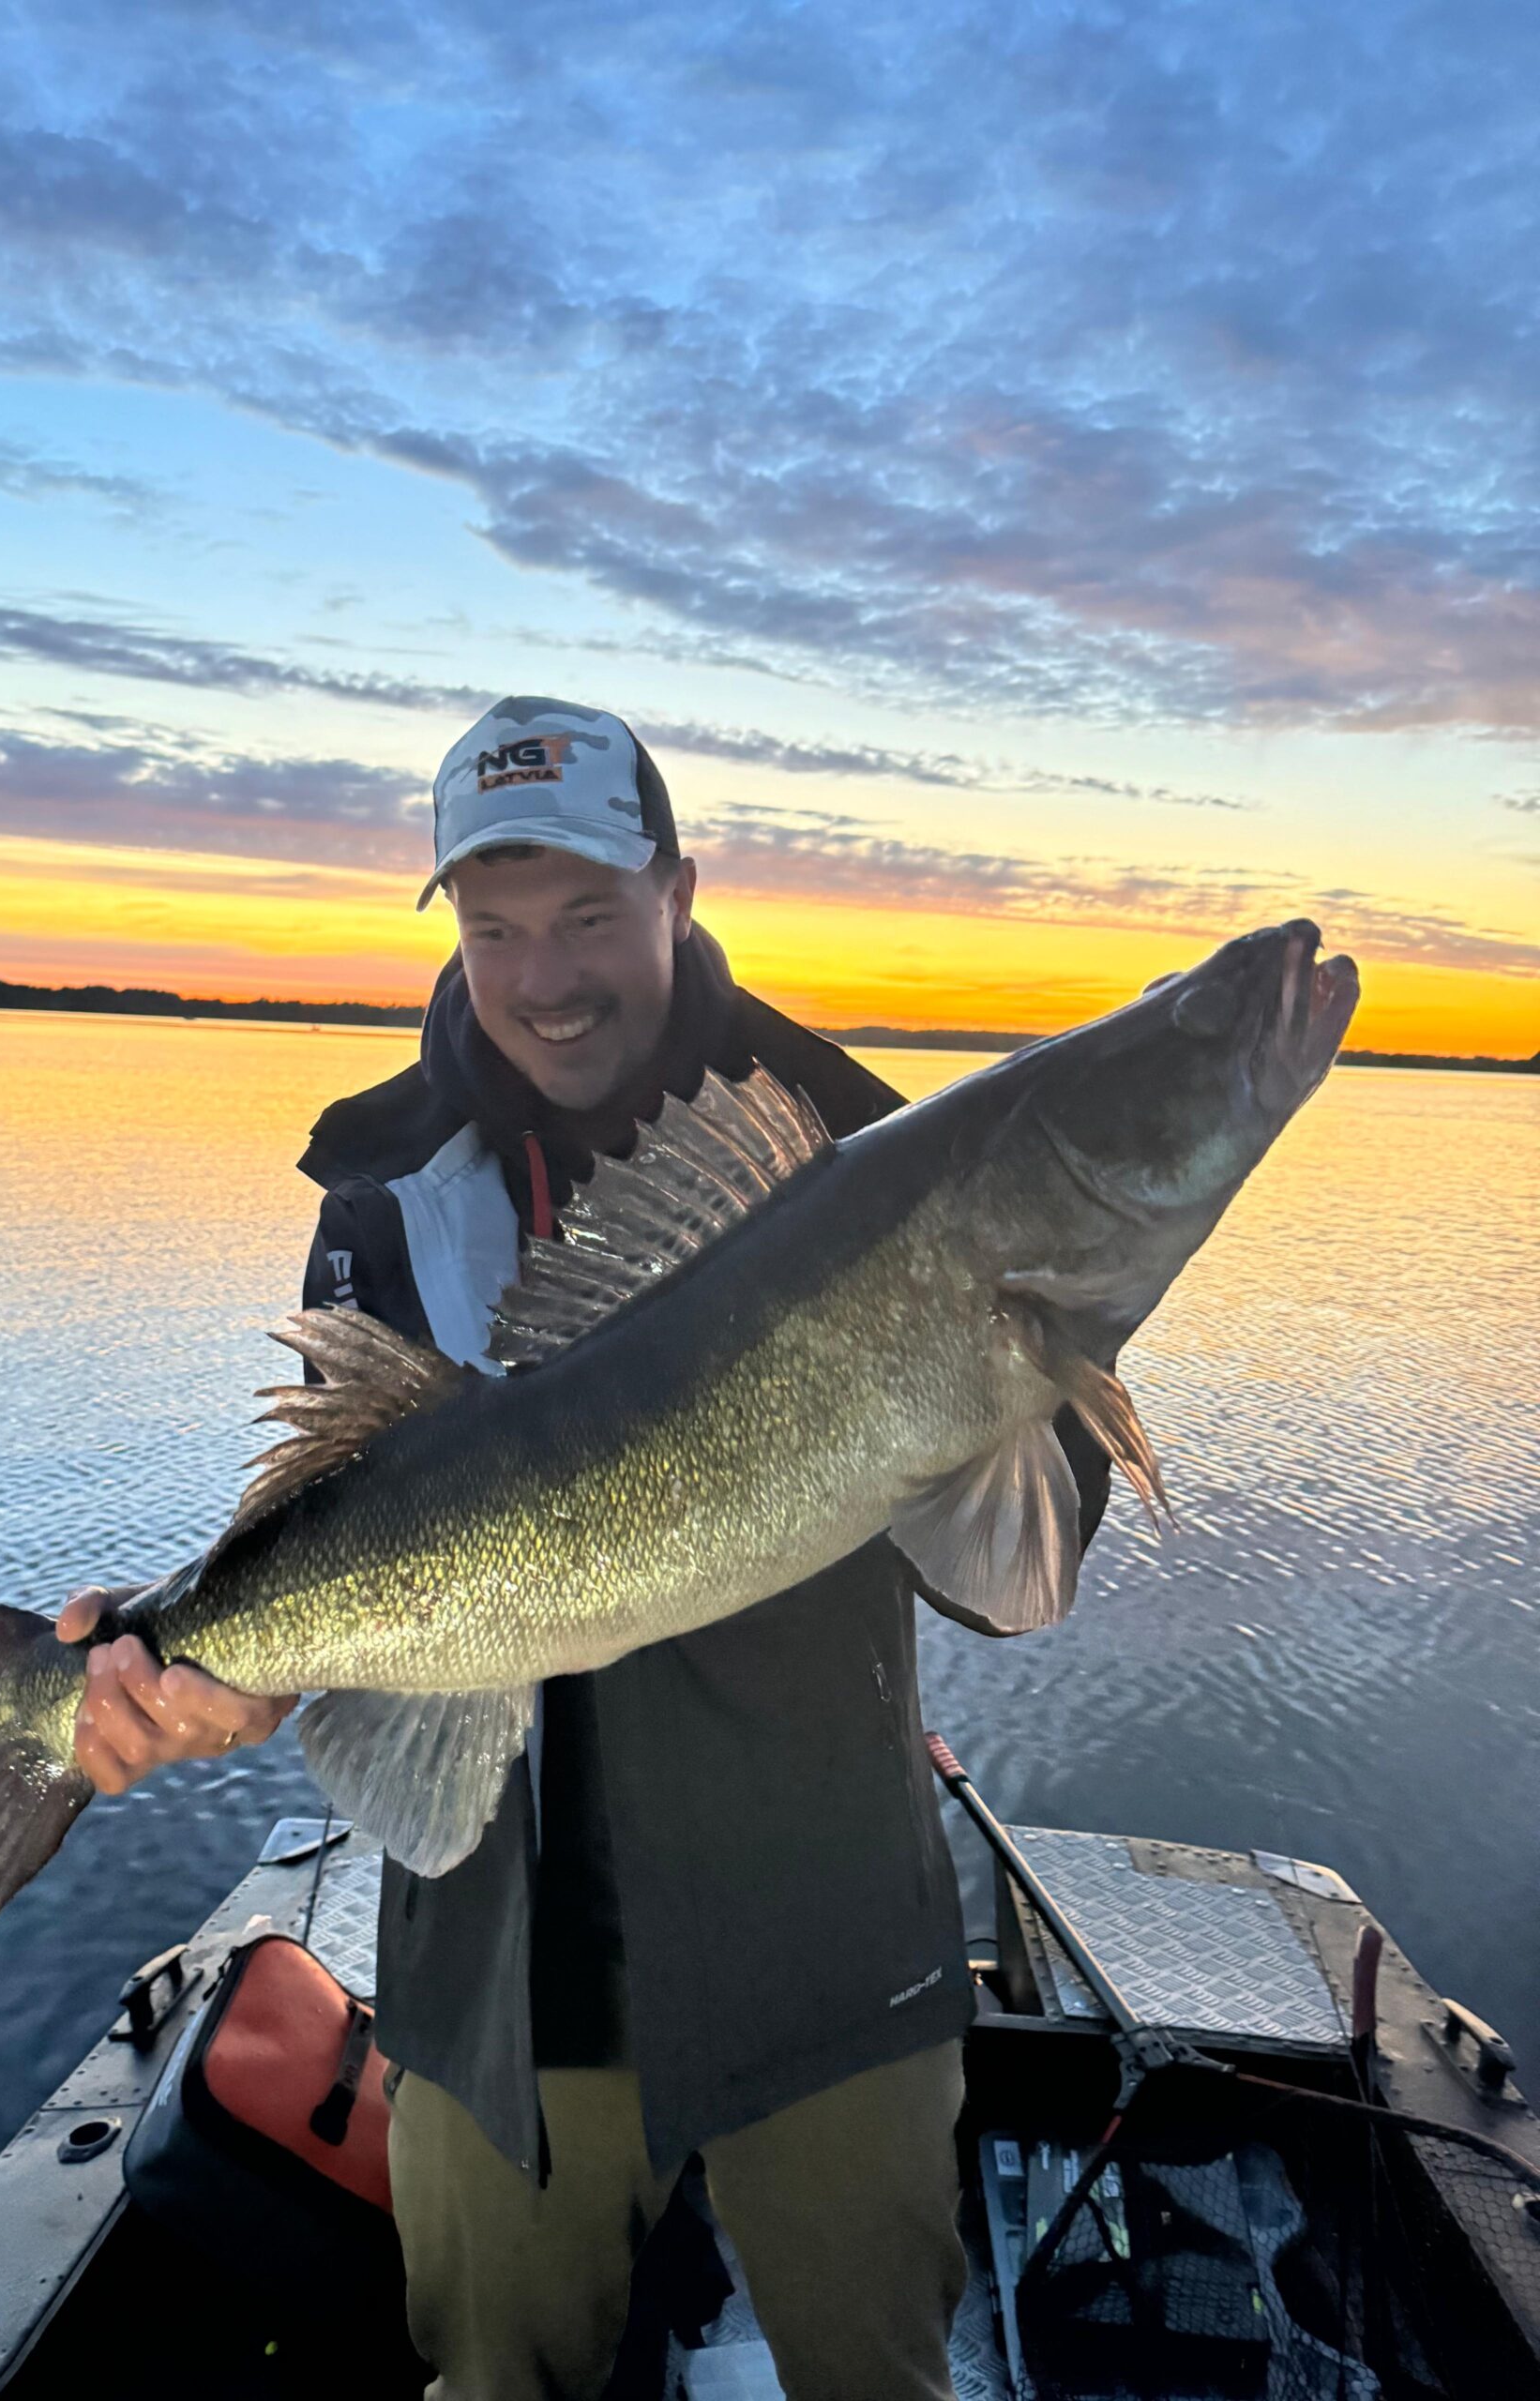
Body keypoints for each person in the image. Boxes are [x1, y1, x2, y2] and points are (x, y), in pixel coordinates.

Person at [57, 696, 1110, 2400]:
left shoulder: (859, 1151)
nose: (544, 978)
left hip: (823, 1940)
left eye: (590, 919)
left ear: (679, 890)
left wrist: (1028, 1376)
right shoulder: (385, 1198)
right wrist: (191, 1671)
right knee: (499, 2381)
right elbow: (347, 1538)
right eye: (494, 930)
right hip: (495, 1978)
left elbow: (1014, 1580)